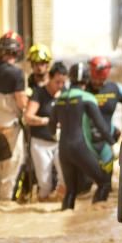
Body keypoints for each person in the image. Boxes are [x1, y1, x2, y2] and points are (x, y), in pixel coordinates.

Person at [49, 62, 115, 210]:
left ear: (70, 79)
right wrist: (112, 143)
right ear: (86, 80)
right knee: (104, 182)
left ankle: (68, 219)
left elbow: (51, 126)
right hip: (80, 147)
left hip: (63, 150)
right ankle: (95, 220)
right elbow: (101, 126)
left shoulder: (59, 98)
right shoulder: (87, 98)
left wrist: (56, 135)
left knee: (71, 191)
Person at [0, 31, 28, 201]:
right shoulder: (16, 74)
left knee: (0, 168)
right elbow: (21, 101)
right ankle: (5, 207)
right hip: (10, 127)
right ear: (17, 51)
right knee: (10, 171)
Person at [23, 62, 68, 201]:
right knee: (45, 183)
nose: (60, 86)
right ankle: (42, 204)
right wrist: (45, 121)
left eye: (63, 82)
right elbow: (28, 117)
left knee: (65, 177)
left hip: (60, 142)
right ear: (49, 77)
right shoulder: (39, 93)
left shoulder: (65, 93)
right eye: (57, 82)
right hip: (40, 143)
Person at [85, 56, 122, 175]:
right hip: (85, 142)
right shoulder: (83, 88)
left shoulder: (115, 88)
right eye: (95, 79)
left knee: (105, 182)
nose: (98, 83)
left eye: (101, 80)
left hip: (107, 143)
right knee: (85, 185)